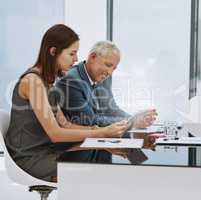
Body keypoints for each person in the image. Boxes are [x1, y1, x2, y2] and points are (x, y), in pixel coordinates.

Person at [5, 25, 128, 182]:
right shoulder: (33, 82)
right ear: (53, 52)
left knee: (98, 159)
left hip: (47, 152)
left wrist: (101, 138)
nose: (76, 59)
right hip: (31, 159)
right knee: (93, 174)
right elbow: (55, 133)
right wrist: (101, 133)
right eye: (72, 53)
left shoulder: (48, 83)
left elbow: (65, 125)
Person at [56, 41, 158, 162]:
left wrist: (136, 118)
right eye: (108, 65)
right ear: (92, 57)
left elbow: (112, 109)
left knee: (142, 169)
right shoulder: (71, 81)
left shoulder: (104, 76)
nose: (110, 72)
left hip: (102, 150)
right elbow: (88, 121)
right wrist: (132, 123)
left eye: (114, 68)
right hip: (80, 155)